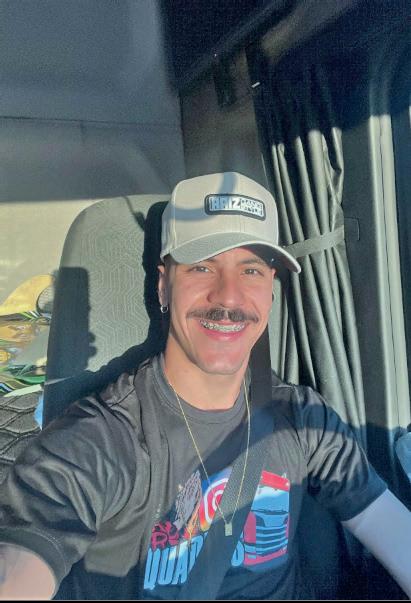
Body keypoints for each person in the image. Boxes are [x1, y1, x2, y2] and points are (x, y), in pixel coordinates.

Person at [0, 172, 410, 600]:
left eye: (251, 270)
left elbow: (390, 529)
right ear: (164, 286)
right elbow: (23, 561)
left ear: (270, 293)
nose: (228, 297)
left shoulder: (305, 419)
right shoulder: (102, 439)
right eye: (202, 267)